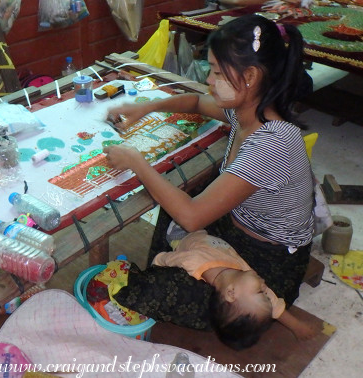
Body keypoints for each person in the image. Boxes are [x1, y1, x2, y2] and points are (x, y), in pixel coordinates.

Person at [103, 14, 315, 308]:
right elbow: (194, 101)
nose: (208, 80)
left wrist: (136, 161)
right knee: (174, 206)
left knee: (150, 290)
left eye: (216, 71)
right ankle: (182, 261)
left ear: (250, 77)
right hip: (236, 225)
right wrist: (147, 106)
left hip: (268, 262)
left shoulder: (271, 143)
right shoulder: (248, 110)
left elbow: (192, 217)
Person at [152, 230, 318, 349]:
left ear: (231, 294)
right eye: (264, 292)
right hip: (211, 234)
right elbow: (271, 302)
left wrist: (156, 265)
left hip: (184, 235)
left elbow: (162, 259)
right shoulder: (241, 277)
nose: (265, 286)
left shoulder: (194, 262)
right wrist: (296, 325)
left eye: (261, 292)